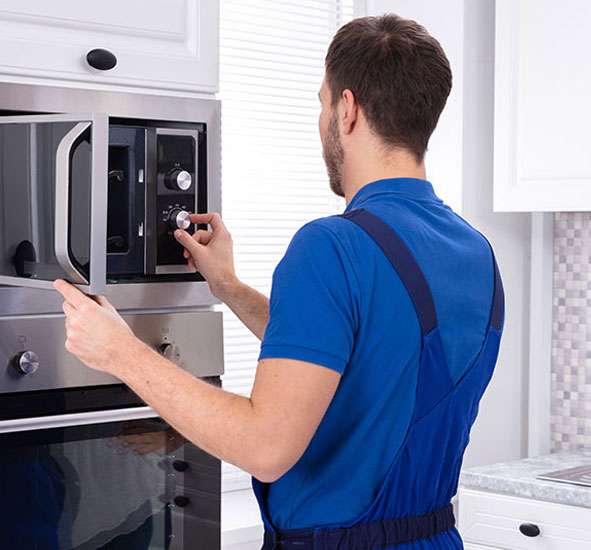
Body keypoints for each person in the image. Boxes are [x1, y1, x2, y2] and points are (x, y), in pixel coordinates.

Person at [54, 14, 503, 550]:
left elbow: (265, 445)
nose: (321, 121)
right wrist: (229, 287)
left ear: (348, 109)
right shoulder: (476, 252)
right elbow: (363, 355)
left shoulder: (332, 245)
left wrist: (120, 352)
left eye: (321, 102)